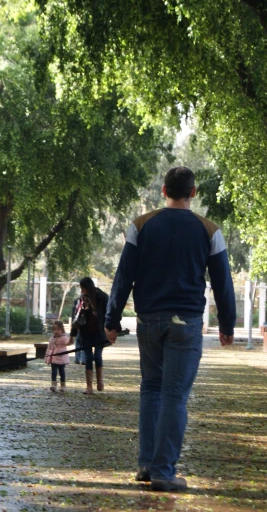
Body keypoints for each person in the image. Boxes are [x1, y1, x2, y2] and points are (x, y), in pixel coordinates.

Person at [104, 166, 236, 493]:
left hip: (148, 320)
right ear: (193, 192)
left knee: (151, 388)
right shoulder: (209, 230)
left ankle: (147, 464)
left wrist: (111, 319)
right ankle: (164, 472)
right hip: (186, 322)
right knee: (174, 394)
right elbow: (223, 283)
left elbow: (124, 275)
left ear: (164, 190)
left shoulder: (142, 226)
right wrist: (227, 324)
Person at [71, 277, 110, 395]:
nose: (82, 291)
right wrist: (72, 335)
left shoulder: (102, 297)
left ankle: (100, 381)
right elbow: (75, 319)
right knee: (88, 358)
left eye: (83, 288)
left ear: (88, 287)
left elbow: (109, 314)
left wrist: (111, 329)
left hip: (99, 333)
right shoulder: (80, 300)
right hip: (85, 334)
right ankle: (89, 386)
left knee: (97, 357)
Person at [45, 321, 71, 392]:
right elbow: (49, 348)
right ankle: (53, 384)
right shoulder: (51, 339)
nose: (56, 331)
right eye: (54, 329)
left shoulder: (64, 338)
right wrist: (47, 357)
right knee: (53, 372)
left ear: (62, 330)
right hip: (53, 359)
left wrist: (71, 339)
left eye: (58, 329)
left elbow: (67, 343)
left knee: (62, 372)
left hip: (61, 359)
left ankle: (63, 385)